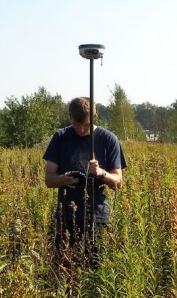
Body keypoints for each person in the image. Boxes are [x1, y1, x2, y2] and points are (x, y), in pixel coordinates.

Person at [43, 97, 127, 269]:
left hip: (98, 217)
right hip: (66, 217)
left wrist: (101, 173)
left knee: (97, 268)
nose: (81, 129)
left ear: (95, 117)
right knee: (62, 269)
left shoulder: (108, 139)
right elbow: (48, 179)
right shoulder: (61, 137)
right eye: (77, 124)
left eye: (86, 125)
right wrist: (62, 179)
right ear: (70, 118)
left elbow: (118, 182)